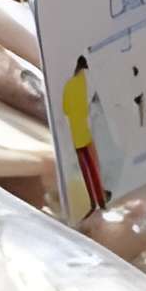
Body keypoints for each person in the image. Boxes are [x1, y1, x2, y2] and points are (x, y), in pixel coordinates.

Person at [62, 54, 104, 218]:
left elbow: (65, 108)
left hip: (76, 131)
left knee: (85, 169)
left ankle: (93, 202)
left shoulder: (70, 85)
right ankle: (99, 201)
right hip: (85, 129)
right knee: (93, 167)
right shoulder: (83, 83)